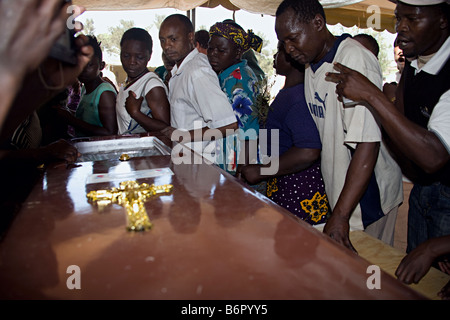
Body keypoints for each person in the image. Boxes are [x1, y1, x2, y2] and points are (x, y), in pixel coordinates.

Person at [324, 0, 450, 283]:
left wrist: (373, 95)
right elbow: (404, 132)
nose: (400, 29)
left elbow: (434, 156)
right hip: (423, 191)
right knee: (422, 282)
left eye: (412, 19)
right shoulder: (415, 64)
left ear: (442, 20)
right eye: (398, 18)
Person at [275, 0, 403, 251]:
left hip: (367, 204)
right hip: (343, 201)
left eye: (293, 38)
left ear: (318, 23)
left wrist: (342, 214)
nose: (289, 49)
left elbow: (367, 143)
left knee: (372, 281)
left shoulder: (352, 59)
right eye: (283, 43)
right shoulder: (311, 65)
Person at [240, 42, 329, 226]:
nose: (275, 55)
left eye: (280, 50)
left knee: (294, 242)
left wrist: (260, 170)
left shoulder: (298, 98)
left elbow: (308, 150)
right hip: (283, 181)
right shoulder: (288, 93)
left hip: (297, 188)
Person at [158, 14, 238, 160]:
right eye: (162, 40)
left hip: (199, 163)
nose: (166, 46)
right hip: (186, 159)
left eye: (173, 39)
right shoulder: (183, 69)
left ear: (190, 37)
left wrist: (184, 135)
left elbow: (229, 125)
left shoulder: (197, 72)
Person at [207, 20, 262, 175]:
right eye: (210, 48)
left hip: (238, 163)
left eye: (221, 50)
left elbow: (247, 130)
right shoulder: (230, 74)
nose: (213, 54)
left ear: (237, 52)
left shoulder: (238, 79)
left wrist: (240, 174)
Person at [57, 35, 118, 137]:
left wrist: (71, 120)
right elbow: (87, 119)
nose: (83, 70)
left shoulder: (104, 93)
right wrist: (67, 113)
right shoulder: (86, 88)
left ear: (101, 66)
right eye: (78, 65)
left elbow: (110, 132)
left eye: (89, 65)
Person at [116, 27, 170, 135]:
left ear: (149, 55)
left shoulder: (152, 85)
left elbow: (166, 129)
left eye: (139, 57)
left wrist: (136, 113)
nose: (132, 62)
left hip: (143, 150)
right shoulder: (131, 81)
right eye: (126, 55)